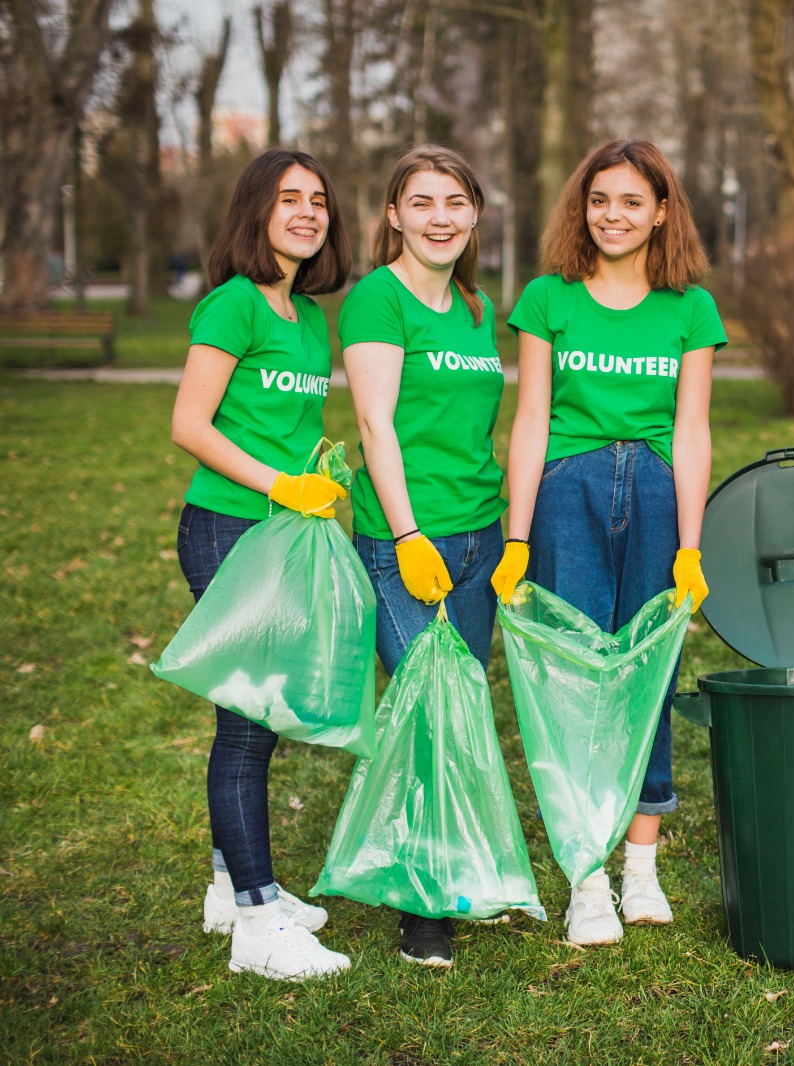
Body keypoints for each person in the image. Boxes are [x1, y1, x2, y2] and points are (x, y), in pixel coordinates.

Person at [495, 139, 723, 947]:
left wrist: (691, 546)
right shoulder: (549, 299)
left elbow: (692, 431)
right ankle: (585, 877)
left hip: (659, 494)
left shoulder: (690, 308)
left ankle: (641, 866)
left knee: (648, 678)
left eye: (631, 201)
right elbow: (529, 421)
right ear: (580, 207)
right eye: (600, 200)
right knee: (578, 679)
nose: (613, 216)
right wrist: (517, 536)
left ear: (662, 210)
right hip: (568, 494)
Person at [170, 148, 353, 981]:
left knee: (256, 718)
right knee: (247, 727)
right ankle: (256, 921)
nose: (309, 212)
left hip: (288, 534)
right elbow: (192, 425)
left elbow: (282, 424)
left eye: (318, 200)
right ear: (257, 211)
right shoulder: (231, 306)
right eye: (290, 199)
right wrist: (284, 482)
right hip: (227, 529)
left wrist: (319, 472)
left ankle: (228, 888)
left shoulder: (311, 318)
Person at [340, 144, 506, 969]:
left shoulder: (478, 308)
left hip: (478, 532)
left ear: (475, 214)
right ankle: (421, 904)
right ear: (394, 216)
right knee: (425, 713)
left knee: (460, 712)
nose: (441, 217)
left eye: (456, 202)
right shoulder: (378, 300)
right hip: (406, 538)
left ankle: (449, 865)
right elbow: (376, 426)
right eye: (423, 202)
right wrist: (406, 537)